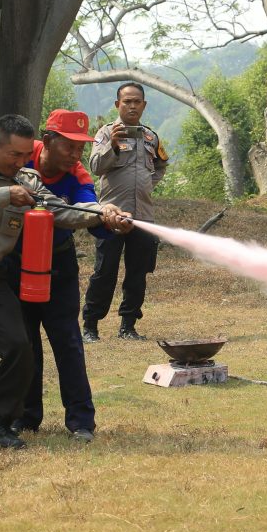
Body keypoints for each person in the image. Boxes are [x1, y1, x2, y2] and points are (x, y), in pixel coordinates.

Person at [0, 114, 132, 447]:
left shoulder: (27, 180)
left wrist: (103, 213)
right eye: (14, 155)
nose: (21, 162)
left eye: (24, 155)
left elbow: (60, 211)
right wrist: (4, 196)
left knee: (19, 348)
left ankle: (3, 425)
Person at [0, 109, 125, 443]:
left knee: (67, 341)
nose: (75, 155)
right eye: (69, 146)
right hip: (15, 263)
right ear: (49, 139)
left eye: (81, 148)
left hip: (59, 266)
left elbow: (87, 206)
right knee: (23, 343)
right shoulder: (21, 160)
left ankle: (81, 421)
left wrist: (106, 213)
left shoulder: (79, 173)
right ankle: (25, 417)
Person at [82, 82, 169, 342]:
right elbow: (96, 166)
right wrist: (114, 146)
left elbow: (162, 165)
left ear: (144, 105)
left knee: (137, 273)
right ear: (117, 104)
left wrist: (147, 185)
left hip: (142, 216)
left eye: (137, 101)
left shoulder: (151, 137)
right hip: (111, 216)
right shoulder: (106, 133)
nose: (132, 106)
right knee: (104, 271)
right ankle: (91, 326)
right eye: (127, 101)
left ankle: (128, 326)